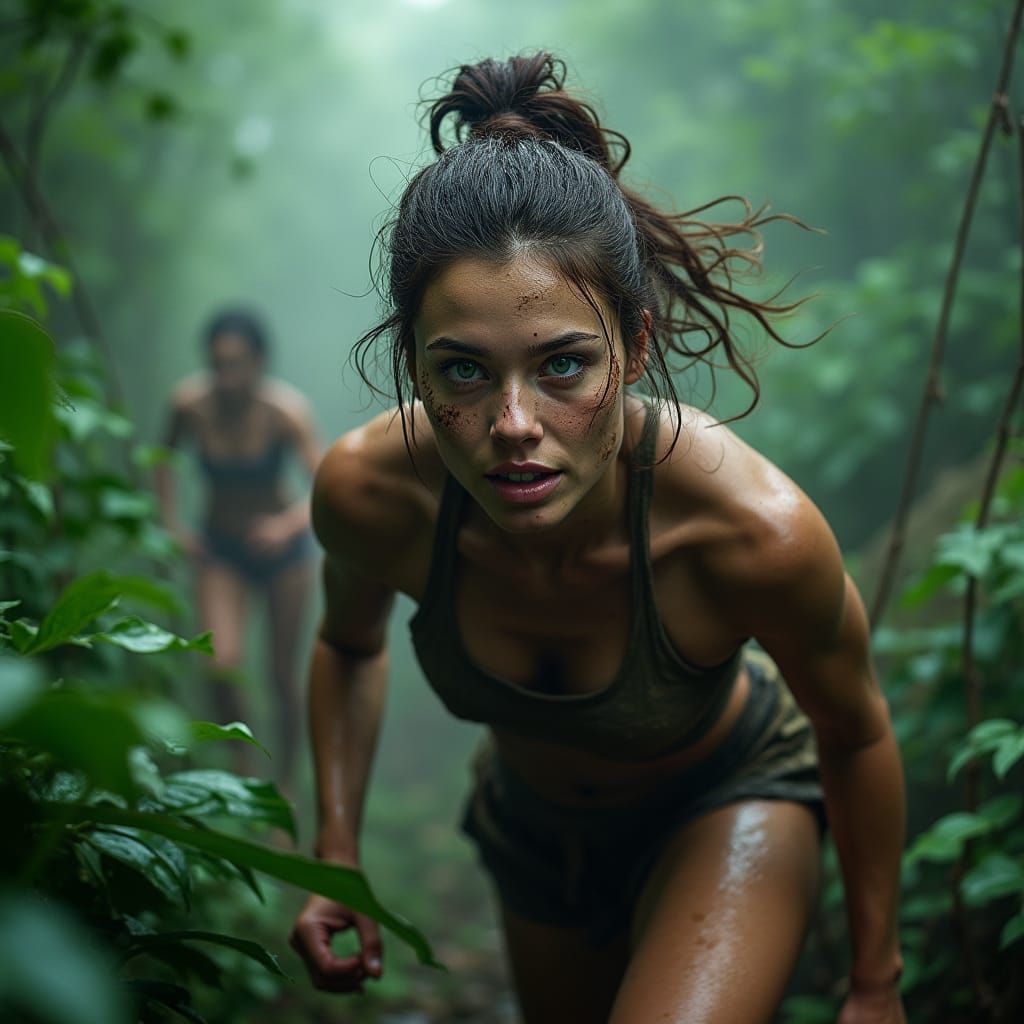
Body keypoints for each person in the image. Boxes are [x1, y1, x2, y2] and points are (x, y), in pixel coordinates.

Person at [289, 54, 906, 1024]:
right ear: (410, 361)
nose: (513, 424)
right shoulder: (372, 495)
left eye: (563, 365)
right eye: (461, 373)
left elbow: (855, 727)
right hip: (530, 836)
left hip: (729, 798)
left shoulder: (749, 531)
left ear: (636, 346)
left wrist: (875, 985)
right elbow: (346, 643)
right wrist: (336, 852)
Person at [156, 308, 320, 786]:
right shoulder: (190, 405)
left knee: (282, 678)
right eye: (218, 364)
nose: (227, 377)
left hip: (283, 555)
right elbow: (163, 458)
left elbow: (327, 487)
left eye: (238, 363)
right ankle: (243, 772)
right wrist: (171, 523)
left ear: (260, 361)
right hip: (220, 549)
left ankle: (285, 785)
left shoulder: (285, 412)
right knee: (219, 664)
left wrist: (286, 527)